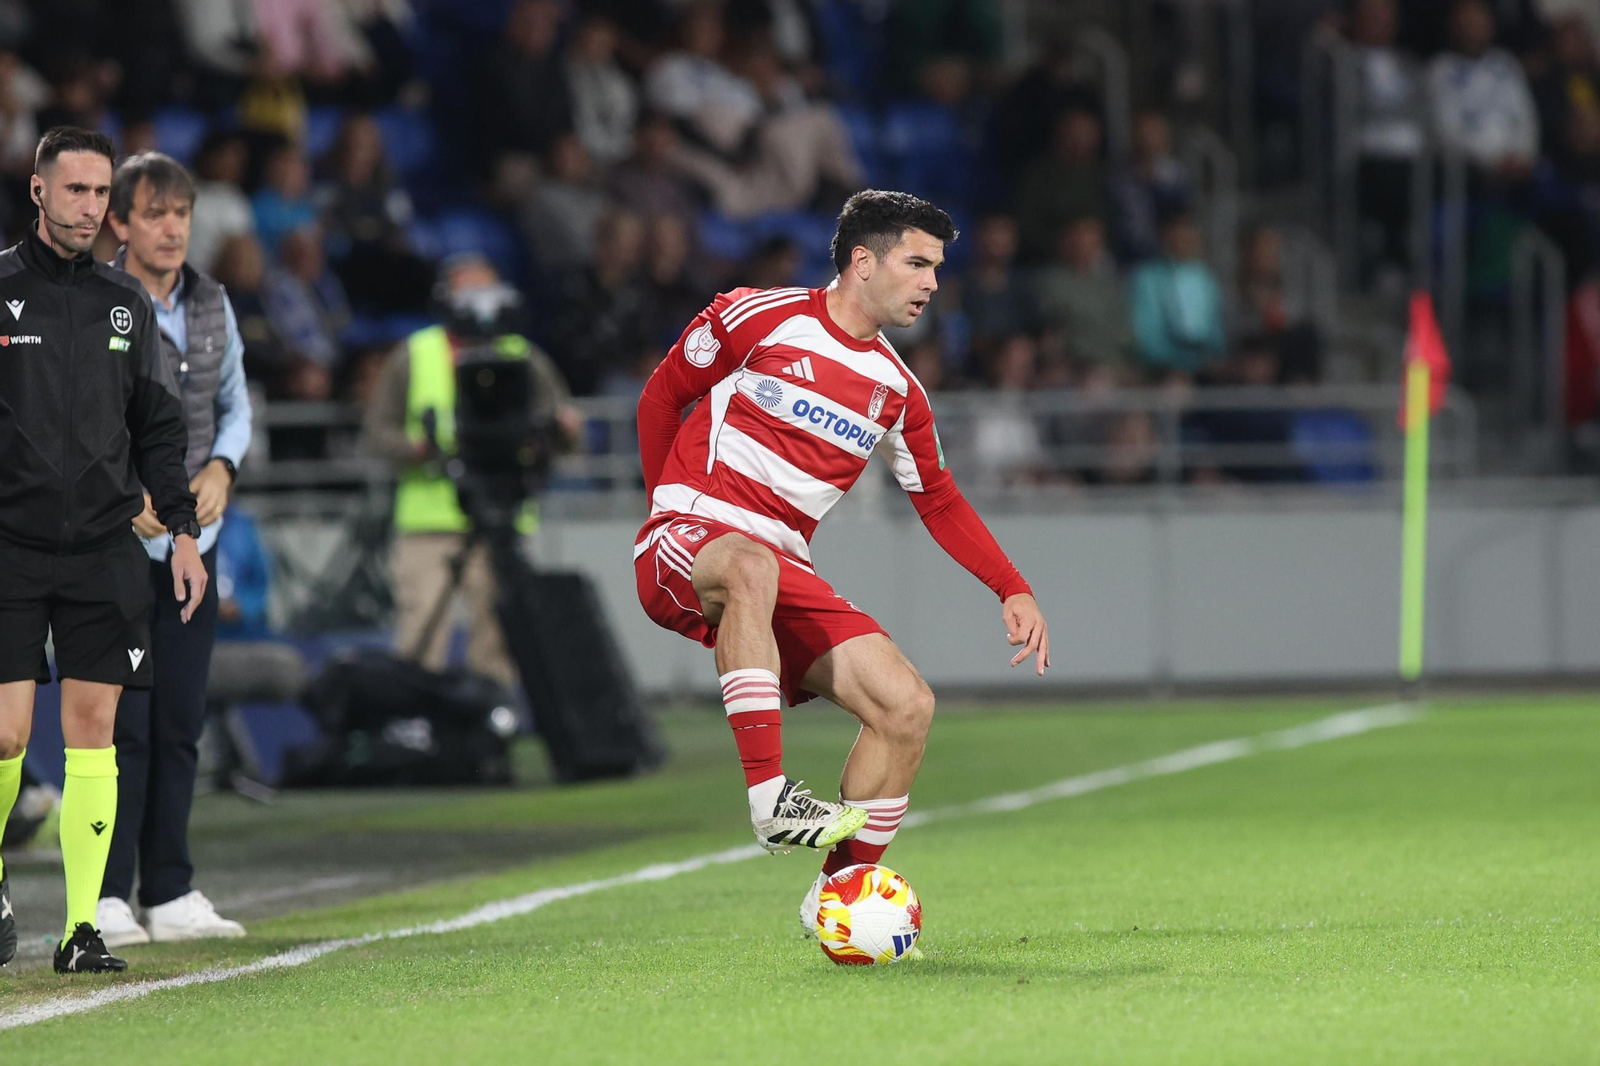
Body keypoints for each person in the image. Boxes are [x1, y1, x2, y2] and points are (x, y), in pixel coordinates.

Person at [632, 190, 1050, 941]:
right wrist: (667, 507)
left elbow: (939, 500)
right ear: (863, 262)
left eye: (937, 269)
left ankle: (837, 898)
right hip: (693, 533)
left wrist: (1010, 586)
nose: (932, 284)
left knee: (906, 707)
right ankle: (769, 797)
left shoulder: (898, 392)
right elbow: (661, 401)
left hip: (777, 565)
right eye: (917, 264)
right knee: (752, 566)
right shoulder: (757, 316)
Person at [0, 127, 206, 975]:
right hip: (9, 547)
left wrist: (184, 530)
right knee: (5, 736)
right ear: (39, 191)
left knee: (95, 734)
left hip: (103, 549)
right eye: (74, 190)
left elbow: (159, 430)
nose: (88, 208)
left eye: (98, 193)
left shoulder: (128, 304)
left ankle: (81, 928)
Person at [98, 151, 253, 948]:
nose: (171, 229)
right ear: (119, 224)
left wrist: (223, 466)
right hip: (118, 544)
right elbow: (71, 421)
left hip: (197, 541)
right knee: (121, 725)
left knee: (181, 719)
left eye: (181, 214)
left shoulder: (214, 303)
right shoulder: (93, 304)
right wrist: (126, 498)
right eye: (154, 213)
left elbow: (235, 406)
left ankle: (168, 889)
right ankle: (105, 895)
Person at [361, 255, 579, 690]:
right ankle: (419, 718)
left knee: (499, 635)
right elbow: (376, 432)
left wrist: (559, 432)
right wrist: (416, 449)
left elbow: (564, 429)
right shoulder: (414, 354)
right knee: (422, 634)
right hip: (429, 522)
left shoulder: (523, 357)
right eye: (469, 291)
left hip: (502, 516)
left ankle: (492, 717)